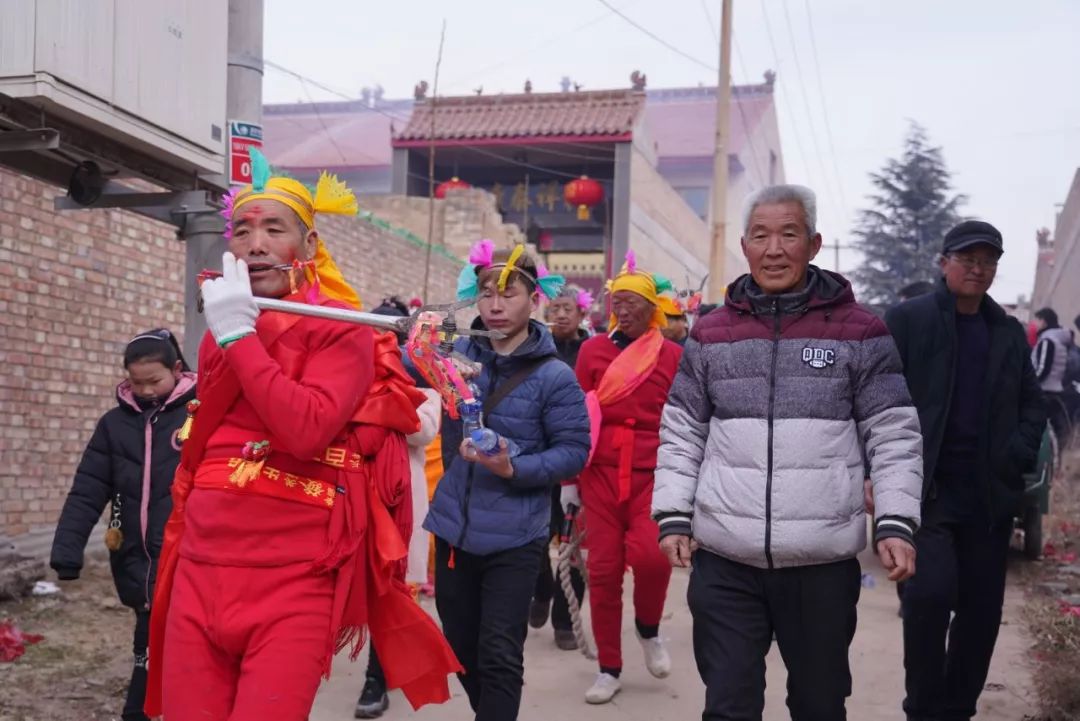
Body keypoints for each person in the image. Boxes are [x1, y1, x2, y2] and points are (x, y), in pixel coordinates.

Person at [144, 153, 458, 720]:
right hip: (203, 562)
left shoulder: (343, 327)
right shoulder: (223, 332)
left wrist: (240, 335)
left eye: (273, 229)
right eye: (242, 230)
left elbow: (305, 428)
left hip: (294, 575)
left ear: (309, 246)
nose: (255, 244)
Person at [653, 184, 923, 721]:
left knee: (819, 705)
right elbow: (682, 433)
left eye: (788, 234)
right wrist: (673, 516)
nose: (774, 249)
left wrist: (895, 521)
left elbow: (892, 435)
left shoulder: (860, 332)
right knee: (729, 705)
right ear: (746, 247)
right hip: (726, 561)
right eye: (760, 236)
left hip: (820, 565)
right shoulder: (711, 335)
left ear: (814, 244)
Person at [423, 241, 591, 721]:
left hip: (517, 536)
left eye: (509, 294)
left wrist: (513, 468)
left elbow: (574, 451)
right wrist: (415, 338)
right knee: (459, 648)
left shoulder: (555, 376)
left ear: (533, 298)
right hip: (455, 530)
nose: (495, 305)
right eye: (486, 294)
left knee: (499, 654)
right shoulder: (455, 355)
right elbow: (398, 364)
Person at [885, 220, 1045, 721]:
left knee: (980, 614)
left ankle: (957, 709)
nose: (978, 269)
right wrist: (878, 470)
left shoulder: (1007, 332)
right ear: (944, 262)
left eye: (988, 261)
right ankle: (924, 706)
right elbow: (880, 397)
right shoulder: (909, 320)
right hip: (927, 488)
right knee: (928, 597)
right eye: (968, 259)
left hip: (988, 495)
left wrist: (1014, 455)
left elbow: (1032, 404)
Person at [50, 329, 195, 721]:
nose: (146, 390)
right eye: (137, 382)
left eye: (155, 381)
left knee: (189, 654)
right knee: (146, 647)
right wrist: (67, 550)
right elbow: (88, 489)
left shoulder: (201, 413)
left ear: (177, 369)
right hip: (135, 558)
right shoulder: (113, 425)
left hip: (189, 561)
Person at [564, 252, 683, 704]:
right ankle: (609, 667)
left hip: (653, 472)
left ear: (653, 309)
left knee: (653, 559)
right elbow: (578, 416)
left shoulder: (672, 355)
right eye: (619, 300)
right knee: (604, 570)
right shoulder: (591, 351)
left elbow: (686, 419)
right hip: (599, 473)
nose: (625, 308)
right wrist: (569, 482)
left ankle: (649, 628)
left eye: (635, 301)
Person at [355, 300, 443, 719]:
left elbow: (421, 430)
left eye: (389, 337)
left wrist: (385, 397)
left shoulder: (424, 386)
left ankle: (376, 676)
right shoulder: (347, 381)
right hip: (350, 497)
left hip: (401, 503)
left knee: (389, 589)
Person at [529, 285, 592, 650]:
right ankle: (540, 589)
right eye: (555, 308)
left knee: (575, 542)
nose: (561, 315)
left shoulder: (592, 351)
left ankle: (565, 620)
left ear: (582, 313)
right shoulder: (537, 350)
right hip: (540, 456)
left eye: (568, 308)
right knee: (537, 534)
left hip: (578, 457)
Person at [1032, 307, 1073, 443]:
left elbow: (1043, 368)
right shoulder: (1058, 340)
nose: (1035, 324)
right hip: (1054, 391)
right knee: (1054, 431)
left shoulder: (1047, 341)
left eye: (1037, 320)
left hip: (1044, 391)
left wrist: (1029, 383)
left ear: (1044, 322)